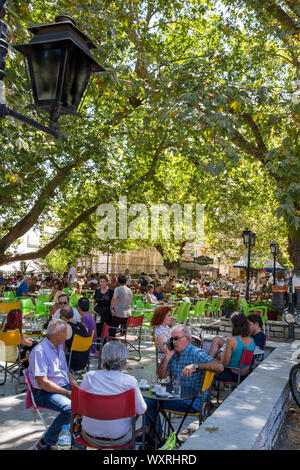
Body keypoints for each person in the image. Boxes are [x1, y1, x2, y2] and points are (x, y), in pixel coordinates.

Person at [144, 324, 223, 443]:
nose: (173, 342)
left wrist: (196, 366)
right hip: (176, 396)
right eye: (172, 339)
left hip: (192, 401)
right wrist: (167, 356)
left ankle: (154, 438)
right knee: (148, 399)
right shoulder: (174, 354)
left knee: (149, 402)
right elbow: (160, 376)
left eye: (176, 338)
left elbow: (219, 367)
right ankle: (153, 436)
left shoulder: (196, 353)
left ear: (187, 338)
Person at [79, 341, 147, 447]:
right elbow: (142, 410)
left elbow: (80, 405)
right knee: (136, 411)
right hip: (118, 439)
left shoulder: (89, 377)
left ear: (103, 358)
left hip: (89, 436)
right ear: (124, 361)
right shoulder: (130, 381)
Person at [28, 319, 78, 450]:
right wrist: (67, 393)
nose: (67, 335)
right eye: (65, 332)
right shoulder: (40, 351)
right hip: (44, 393)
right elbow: (43, 383)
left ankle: (78, 436)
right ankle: (45, 442)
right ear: (57, 334)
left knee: (88, 399)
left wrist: (74, 384)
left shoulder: (59, 347)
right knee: (70, 407)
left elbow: (65, 371)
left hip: (61, 387)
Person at [209, 312, 255, 384]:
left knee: (207, 368)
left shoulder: (231, 340)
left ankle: (205, 392)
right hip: (244, 374)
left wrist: (220, 357)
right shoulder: (252, 340)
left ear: (234, 325)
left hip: (232, 375)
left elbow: (225, 363)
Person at [0, 309, 37, 374]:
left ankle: (24, 368)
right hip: (13, 357)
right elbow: (27, 344)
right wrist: (32, 341)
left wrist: (26, 314)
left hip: (2, 355)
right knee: (34, 346)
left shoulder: (4, 328)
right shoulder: (16, 332)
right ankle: (25, 369)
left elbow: (14, 317)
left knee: (24, 347)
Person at [59, 306, 90, 372]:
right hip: (84, 361)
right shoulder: (82, 326)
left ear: (63, 317)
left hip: (72, 363)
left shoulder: (67, 327)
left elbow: (61, 347)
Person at [93, 274, 114, 343]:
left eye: (103, 281)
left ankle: (105, 345)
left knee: (105, 329)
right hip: (98, 312)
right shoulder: (97, 290)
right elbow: (94, 301)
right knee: (98, 328)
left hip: (107, 313)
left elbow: (113, 302)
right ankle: (98, 346)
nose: (102, 283)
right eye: (101, 281)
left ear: (107, 282)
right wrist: (93, 309)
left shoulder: (111, 291)